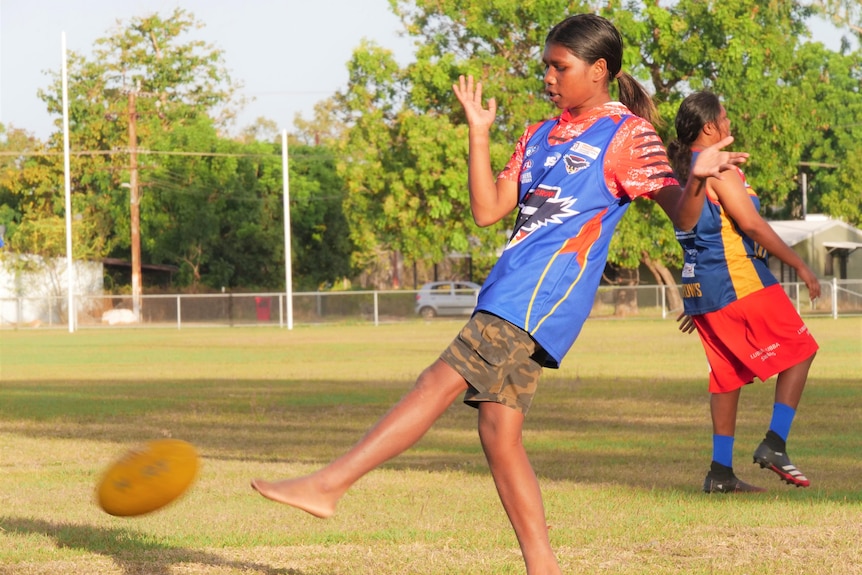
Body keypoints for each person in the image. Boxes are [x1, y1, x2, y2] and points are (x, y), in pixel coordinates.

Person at [252, 15, 747, 574]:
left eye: (560, 67)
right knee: (498, 430)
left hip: (541, 296)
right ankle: (544, 567)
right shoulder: (538, 134)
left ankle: (329, 484)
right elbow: (488, 210)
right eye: (546, 67)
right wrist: (479, 132)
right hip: (510, 288)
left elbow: (681, 212)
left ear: (600, 70)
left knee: (437, 381)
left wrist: (700, 177)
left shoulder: (628, 135)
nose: (549, 78)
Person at [667, 91, 821, 494]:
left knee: (727, 378)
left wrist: (698, 296)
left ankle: (720, 474)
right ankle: (775, 444)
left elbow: (693, 234)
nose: (729, 121)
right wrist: (800, 265)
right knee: (802, 349)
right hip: (739, 279)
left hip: (710, 288)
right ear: (709, 128)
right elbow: (751, 225)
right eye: (724, 116)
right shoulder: (719, 171)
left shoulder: (692, 174)